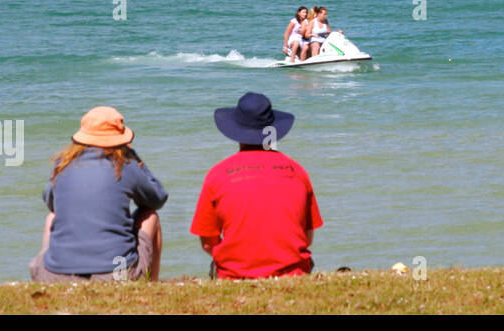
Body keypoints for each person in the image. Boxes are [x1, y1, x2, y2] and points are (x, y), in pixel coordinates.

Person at [190, 92, 323, 279]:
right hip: (293, 274)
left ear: (235, 131)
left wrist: (240, 262)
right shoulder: (297, 172)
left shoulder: (217, 175)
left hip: (234, 275)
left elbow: (207, 243)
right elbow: (307, 238)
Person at [30, 106, 167, 283]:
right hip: (116, 275)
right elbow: (157, 198)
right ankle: (151, 284)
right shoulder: (126, 164)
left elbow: (51, 202)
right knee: (150, 216)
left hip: (55, 276)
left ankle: (55, 273)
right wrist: (136, 159)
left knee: (52, 217)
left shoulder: (62, 164)